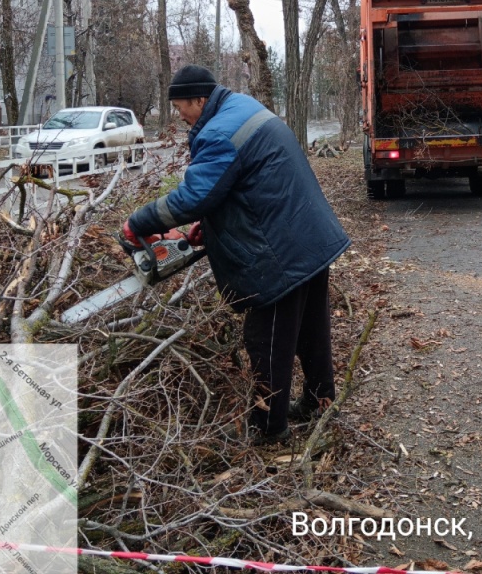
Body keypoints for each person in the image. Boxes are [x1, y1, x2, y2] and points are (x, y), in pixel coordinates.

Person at [123, 65, 351, 446]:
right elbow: (247, 181)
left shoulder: (218, 133)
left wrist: (138, 222)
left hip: (279, 252)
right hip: (308, 235)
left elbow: (193, 197)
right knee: (311, 326)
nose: (180, 116)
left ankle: (268, 428)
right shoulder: (241, 107)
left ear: (199, 99)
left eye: (181, 108)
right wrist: (213, 225)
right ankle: (320, 400)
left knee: (265, 338)